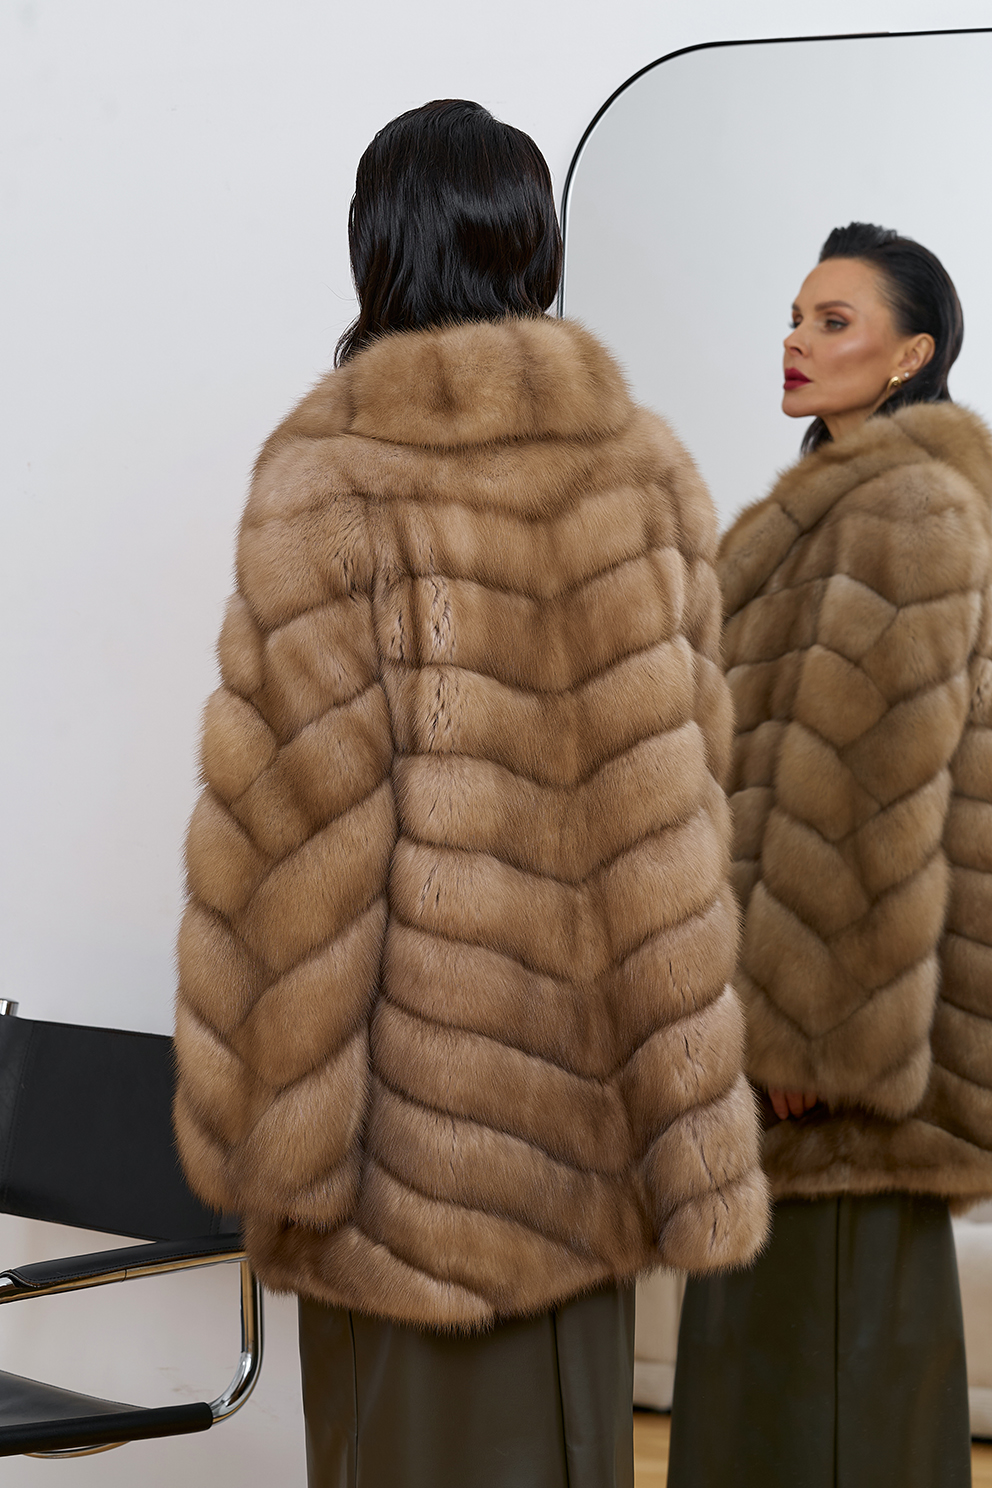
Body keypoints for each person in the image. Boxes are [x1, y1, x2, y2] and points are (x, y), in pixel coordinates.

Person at [172, 99, 768, 1488]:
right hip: (596, 1125)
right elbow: (694, 807)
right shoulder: (645, 469)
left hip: (409, 1146)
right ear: (533, 247)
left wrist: (277, 1142)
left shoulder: (335, 476)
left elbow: (295, 848)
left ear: (376, 246)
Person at [667, 222, 992, 1488]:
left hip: (834, 1037)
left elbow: (870, 784)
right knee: (780, 1373)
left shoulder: (905, 506)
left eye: (833, 321)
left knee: (832, 1380)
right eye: (795, 316)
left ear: (912, 353)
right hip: (777, 1013)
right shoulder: (828, 506)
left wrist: (808, 1030)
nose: (796, 342)